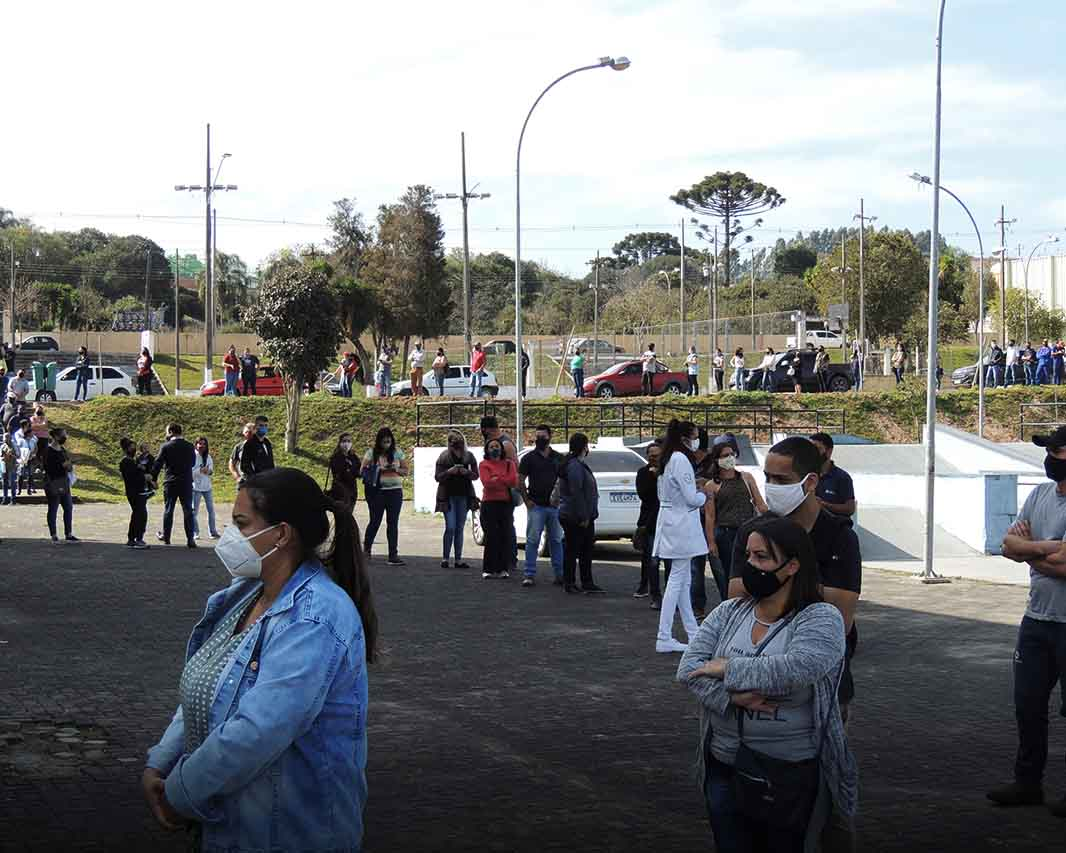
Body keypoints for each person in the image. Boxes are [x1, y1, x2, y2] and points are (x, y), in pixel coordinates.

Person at [143, 467, 378, 852]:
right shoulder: (243, 596)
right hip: (230, 830)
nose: (229, 535)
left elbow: (257, 730)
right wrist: (160, 764)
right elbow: (205, 688)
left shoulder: (315, 617)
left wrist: (179, 792)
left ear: (281, 534)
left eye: (241, 523)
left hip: (288, 835)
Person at [678, 517, 858, 852]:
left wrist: (726, 668)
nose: (751, 565)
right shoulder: (729, 612)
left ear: (791, 566)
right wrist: (732, 698)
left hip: (787, 773)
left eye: (762, 557)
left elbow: (797, 669)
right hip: (724, 764)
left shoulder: (820, 618)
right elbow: (689, 669)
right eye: (748, 556)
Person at [990, 424, 1066, 816]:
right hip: (1037, 620)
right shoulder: (1039, 494)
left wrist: (1028, 551)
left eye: (1058, 451)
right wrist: (1045, 550)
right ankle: (1027, 783)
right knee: (1028, 704)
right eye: (1049, 451)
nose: (1051, 458)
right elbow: (1007, 545)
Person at [653, 419, 708, 653]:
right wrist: (705, 495)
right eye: (695, 436)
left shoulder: (669, 459)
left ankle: (693, 634)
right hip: (681, 524)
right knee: (677, 580)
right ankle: (664, 635)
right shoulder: (681, 459)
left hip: (671, 521)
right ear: (686, 438)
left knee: (682, 580)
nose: (697, 441)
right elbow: (690, 498)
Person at [703, 440, 767, 604]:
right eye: (725, 455)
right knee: (729, 574)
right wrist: (711, 542)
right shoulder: (712, 486)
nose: (730, 458)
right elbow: (710, 516)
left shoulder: (746, 477)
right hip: (726, 534)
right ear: (717, 459)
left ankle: (750, 604)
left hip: (748, 532)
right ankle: (730, 606)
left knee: (751, 571)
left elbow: (760, 503)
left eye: (732, 454)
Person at [518, 424, 565, 587]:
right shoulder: (529, 458)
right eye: (538, 436)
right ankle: (529, 574)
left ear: (550, 437)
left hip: (554, 507)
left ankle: (560, 574)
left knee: (556, 540)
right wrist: (527, 500)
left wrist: (560, 499)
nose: (540, 439)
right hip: (536, 505)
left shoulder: (558, 457)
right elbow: (520, 480)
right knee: (532, 540)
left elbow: (565, 479)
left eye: (543, 436)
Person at [558, 432, 604, 594]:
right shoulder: (575, 466)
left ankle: (582, 581)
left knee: (581, 549)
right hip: (576, 515)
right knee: (576, 549)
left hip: (574, 513)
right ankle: (573, 582)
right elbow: (576, 491)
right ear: (583, 446)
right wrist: (584, 515)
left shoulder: (573, 463)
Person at [361, 427, 407, 565]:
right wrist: (378, 469)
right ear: (379, 441)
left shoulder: (398, 452)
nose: (386, 444)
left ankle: (393, 554)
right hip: (377, 492)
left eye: (388, 441)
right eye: (384, 441)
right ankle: (366, 551)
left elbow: (405, 471)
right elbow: (362, 470)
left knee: (393, 523)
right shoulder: (371, 453)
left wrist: (395, 469)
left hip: (395, 492)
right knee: (375, 521)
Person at [434, 431, 478, 569]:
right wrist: (449, 472)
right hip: (448, 496)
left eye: (458, 444)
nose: (456, 448)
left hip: (464, 495)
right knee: (451, 526)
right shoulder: (444, 457)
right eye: (453, 445)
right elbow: (437, 477)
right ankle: (445, 558)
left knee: (459, 528)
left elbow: (476, 476)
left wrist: (467, 473)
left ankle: (458, 559)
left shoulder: (469, 456)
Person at [480, 415, 518, 570]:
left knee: (507, 527)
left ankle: (509, 559)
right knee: (497, 528)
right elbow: (488, 480)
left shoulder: (505, 444)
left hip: (507, 493)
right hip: (496, 493)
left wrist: (498, 478)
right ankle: (500, 559)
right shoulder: (499, 443)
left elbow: (512, 470)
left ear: (486, 429)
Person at [152, 423, 197, 548]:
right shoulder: (189, 446)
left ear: (171, 431)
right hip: (186, 481)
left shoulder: (165, 446)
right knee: (188, 510)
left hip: (170, 481)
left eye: (167, 432)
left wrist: (154, 479)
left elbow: (158, 463)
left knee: (169, 509)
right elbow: (193, 463)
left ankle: (167, 537)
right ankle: (190, 539)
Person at [635, 439, 664, 609]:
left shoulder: (666, 473)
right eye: (651, 456)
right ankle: (655, 595)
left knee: (668, 562)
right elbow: (644, 495)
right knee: (651, 560)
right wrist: (654, 479)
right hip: (649, 522)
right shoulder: (643, 473)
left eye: (657, 456)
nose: (654, 459)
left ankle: (668, 595)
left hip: (666, 521)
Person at [42, 427, 77, 543]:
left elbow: (68, 463)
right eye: (63, 435)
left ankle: (69, 533)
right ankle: (54, 535)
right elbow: (47, 468)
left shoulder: (62, 450)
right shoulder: (48, 451)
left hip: (64, 481)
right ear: (56, 437)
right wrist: (62, 466)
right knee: (53, 509)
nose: (65, 437)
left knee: (68, 508)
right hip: (53, 482)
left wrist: (69, 466)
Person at [810, 433, 856, 519]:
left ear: (829, 451)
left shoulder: (842, 477)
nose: (812, 453)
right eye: (810, 449)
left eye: (817, 448)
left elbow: (850, 508)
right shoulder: (805, 474)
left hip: (834, 529)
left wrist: (824, 505)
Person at [120, 437, 151, 549]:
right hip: (134, 492)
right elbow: (132, 478)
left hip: (139, 491)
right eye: (132, 448)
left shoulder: (133, 461)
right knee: (140, 514)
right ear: (126, 449)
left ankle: (134, 538)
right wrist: (144, 477)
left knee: (139, 514)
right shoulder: (125, 462)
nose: (134, 450)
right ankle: (136, 538)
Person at [229, 416, 274, 483]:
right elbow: (243, 466)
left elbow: (270, 463)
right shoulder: (246, 445)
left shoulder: (267, 443)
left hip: (267, 481)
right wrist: (237, 477)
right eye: (261, 425)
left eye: (266, 425)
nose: (264, 428)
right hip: (252, 482)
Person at [191, 436, 220, 540]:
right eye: (200, 444)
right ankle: (195, 532)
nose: (202, 446)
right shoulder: (192, 456)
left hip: (207, 487)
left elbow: (211, 470)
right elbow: (190, 473)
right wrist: (200, 471)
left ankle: (213, 532)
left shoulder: (208, 457)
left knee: (211, 510)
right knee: (194, 511)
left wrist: (208, 471)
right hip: (196, 488)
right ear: (196, 445)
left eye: (204, 444)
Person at [327, 433, 361, 511]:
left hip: (352, 490)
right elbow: (340, 472)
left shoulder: (353, 456)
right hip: (340, 490)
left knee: (349, 515)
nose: (346, 443)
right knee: (341, 515)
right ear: (340, 443)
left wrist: (352, 470)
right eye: (344, 441)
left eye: (349, 441)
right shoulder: (335, 457)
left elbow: (359, 471)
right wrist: (351, 469)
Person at [13, 418, 38, 496]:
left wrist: (33, 454)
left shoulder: (33, 439)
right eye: (27, 425)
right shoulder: (19, 436)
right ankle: (19, 489)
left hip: (30, 458)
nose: (28, 425)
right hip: (23, 458)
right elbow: (18, 446)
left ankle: (29, 490)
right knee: (21, 474)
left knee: (30, 474)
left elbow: (36, 446)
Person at [1, 432, 16, 505]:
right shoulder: (2, 446)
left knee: (12, 483)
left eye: (7, 437)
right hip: (4, 466)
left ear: (10, 438)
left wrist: (11, 455)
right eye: (5, 437)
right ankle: (5, 498)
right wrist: (4, 457)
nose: (6, 439)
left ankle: (13, 499)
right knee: (4, 483)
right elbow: (1, 456)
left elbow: (18, 456)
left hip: (12, 466)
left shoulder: (14, 446)